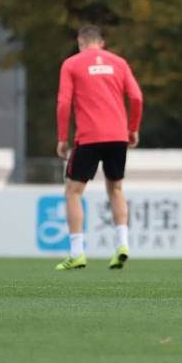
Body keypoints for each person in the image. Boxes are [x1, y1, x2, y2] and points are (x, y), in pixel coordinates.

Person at [55, 24, 143, 270]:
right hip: (117, 136)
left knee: (73, 192)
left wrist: (62, 137)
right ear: (102, 43)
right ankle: (122, 245)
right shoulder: (119, 62)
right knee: (115, 189)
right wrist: (133, 128)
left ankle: (77, 253)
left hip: (89, 136)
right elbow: (136, 97)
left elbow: (64, 102)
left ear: (80, 42)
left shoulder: (72, 64)